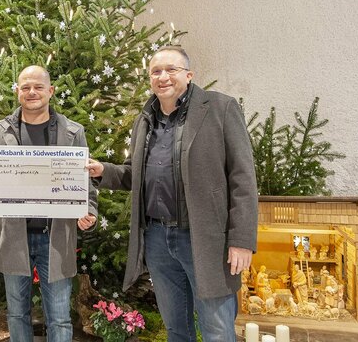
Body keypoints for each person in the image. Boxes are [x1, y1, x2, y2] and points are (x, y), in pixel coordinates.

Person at [86, 47, 258, 342]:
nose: (163, 77)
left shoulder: (220, 108)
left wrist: (241, 240)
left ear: (189, 75)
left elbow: (243, 179)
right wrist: (103, 170)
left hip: (205, 239)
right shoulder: (145, 119)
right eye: (156, 72)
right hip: (157, 240)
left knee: (216, 330)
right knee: (176, 329)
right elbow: (135, 174)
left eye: (171, 70)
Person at [0, 65, 98, 342]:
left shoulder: (73, 132)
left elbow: (87, 182)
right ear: (17, 91)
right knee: (16, 313)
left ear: (51, 91)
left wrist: (89, 212)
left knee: (59, 317)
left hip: (55, 237)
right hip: (13, 235)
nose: (32, 92)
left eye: (38, 87)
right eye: (25, 87)